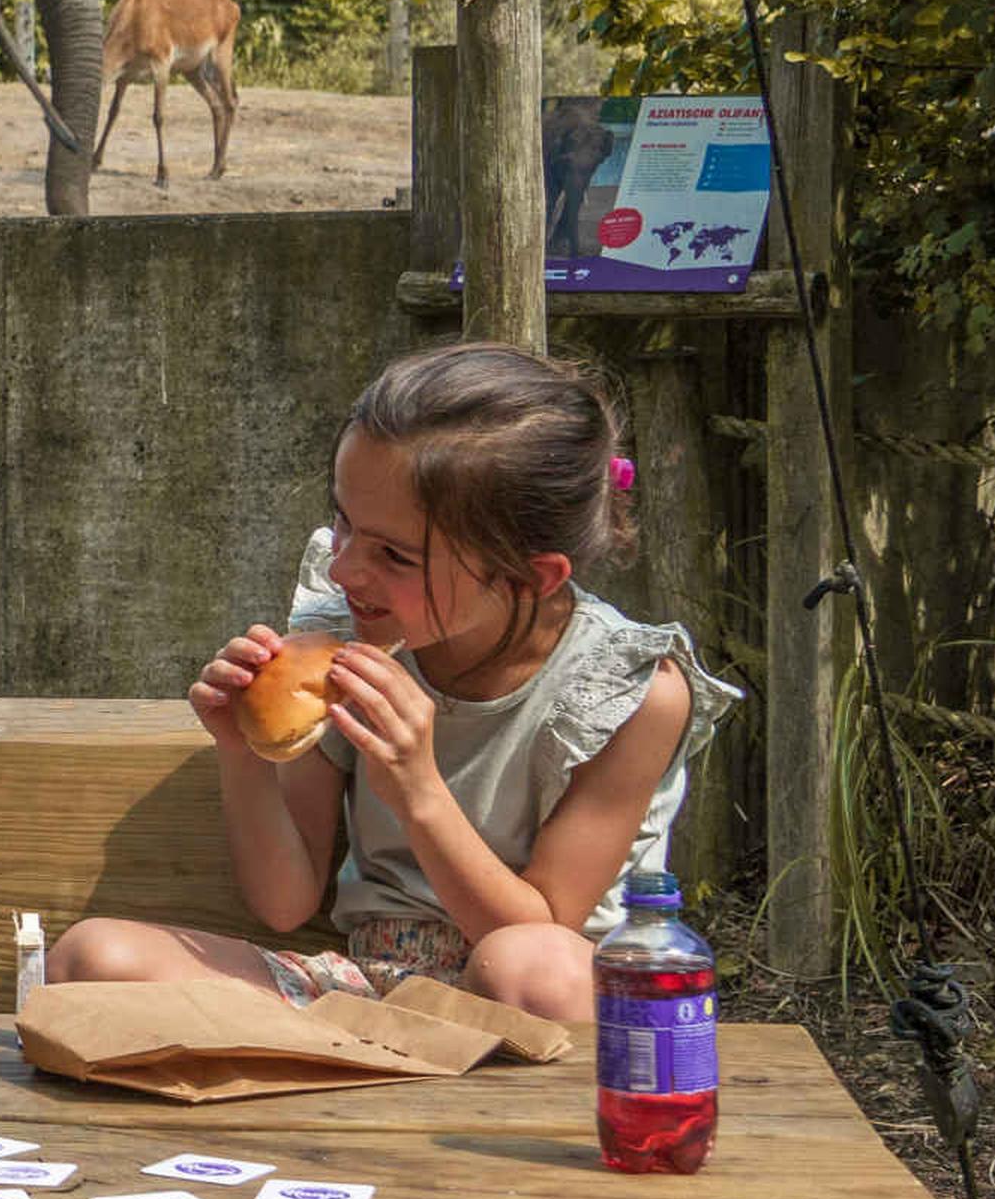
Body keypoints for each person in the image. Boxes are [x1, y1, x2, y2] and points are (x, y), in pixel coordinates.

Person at [48, 342, 740, 1020]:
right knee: (96, 957)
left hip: (522, 1008)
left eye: (393, 555)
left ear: (530, 576)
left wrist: (418, 788)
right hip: (367, 989)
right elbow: (286, 904)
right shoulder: (349, 637)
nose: (346, 570)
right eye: (344, 525)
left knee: (536, 966)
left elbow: (545, 928)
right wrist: (243, 752)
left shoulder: (633, 691)